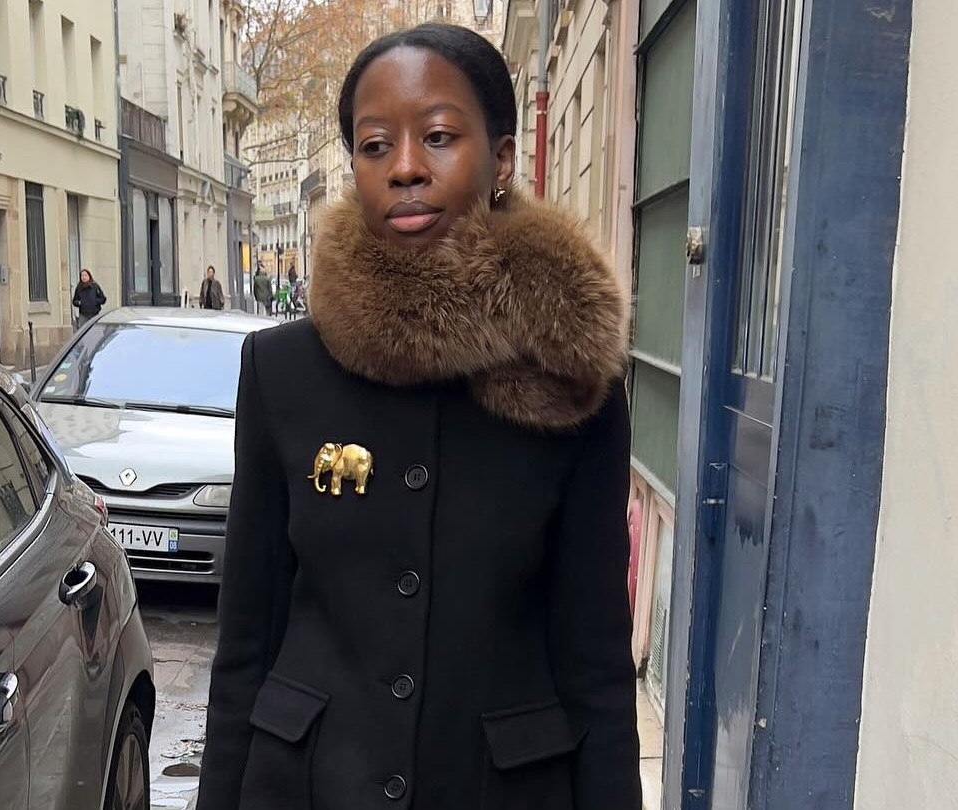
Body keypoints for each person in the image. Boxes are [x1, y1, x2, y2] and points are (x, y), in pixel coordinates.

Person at [197, 22, 641, 810]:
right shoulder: (283, 372)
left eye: (438, 137)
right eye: (375, 146)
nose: (404, 167)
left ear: (501, 159)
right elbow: (245, 647)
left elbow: (597, 670)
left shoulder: (569, 381)